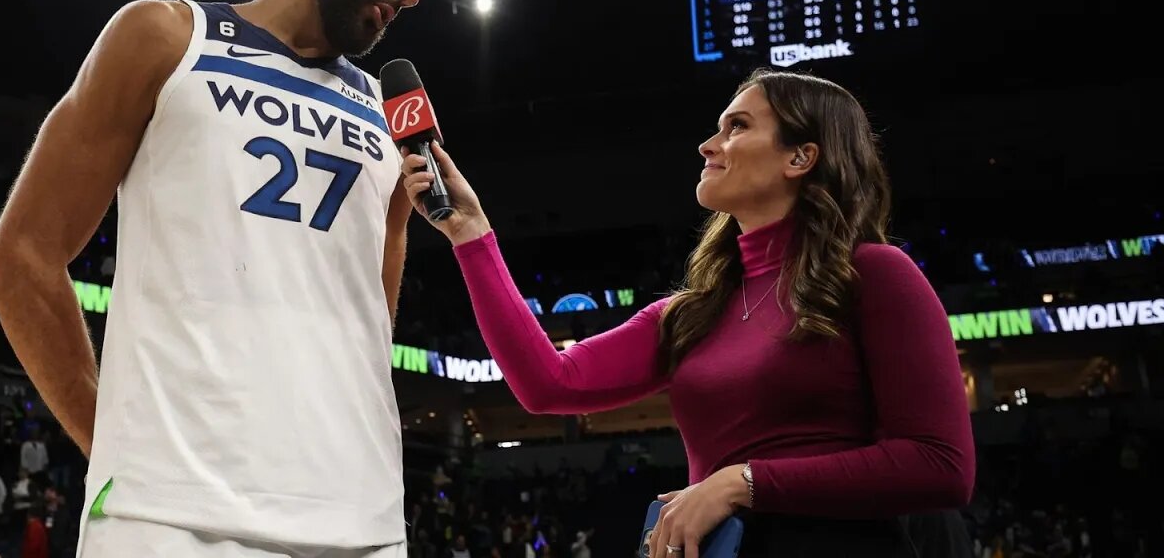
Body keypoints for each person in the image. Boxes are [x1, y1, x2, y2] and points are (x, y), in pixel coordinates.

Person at [0, 0, 449, 558]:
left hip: (362, 518)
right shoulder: (166, 37)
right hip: (172, 517)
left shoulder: (391, 119)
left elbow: (371, 324)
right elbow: (20, 259)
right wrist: (114, 443)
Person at [401, 69, 975, 557]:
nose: (708, 144)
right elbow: (547, 383)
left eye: (738, 127)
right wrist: (469, 231)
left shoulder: (875, 274)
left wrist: (741, 483)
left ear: (801, 157)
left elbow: (940, 465)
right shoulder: (690, 313)